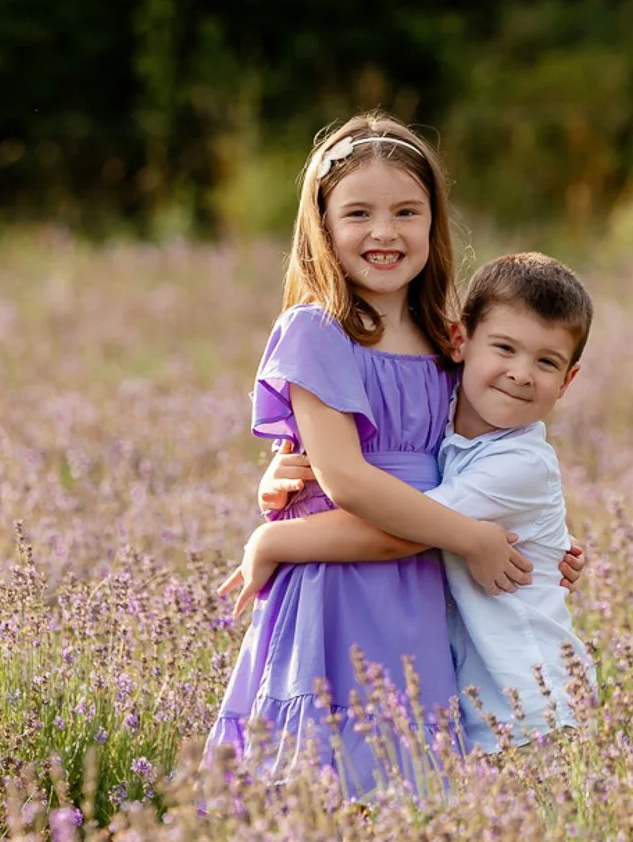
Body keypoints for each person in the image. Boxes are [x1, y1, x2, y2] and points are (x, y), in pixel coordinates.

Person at [204, 113, 581, 794]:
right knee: (327, 771)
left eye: (407, 211)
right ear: (321, 225)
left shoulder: (445, 333)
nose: (384, 232)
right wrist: (470, 536)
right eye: (358, 213)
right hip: (340, 573)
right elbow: (347, 478)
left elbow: (472, 450)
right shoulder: (317, 328)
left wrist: (537, 540)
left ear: (433, 224)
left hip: (421, 586)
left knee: (408, 772)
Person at [222, 252, 597, 752]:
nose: (521, 373)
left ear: (568, 381)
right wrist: (286, 475)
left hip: (533, 705)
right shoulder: (442, 419)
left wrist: (272, 540)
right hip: (477, 702)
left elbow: (405, 528)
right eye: (504, 348)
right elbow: (382, 456)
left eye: (546, 362)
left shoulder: (519, 465)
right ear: (460, 342)